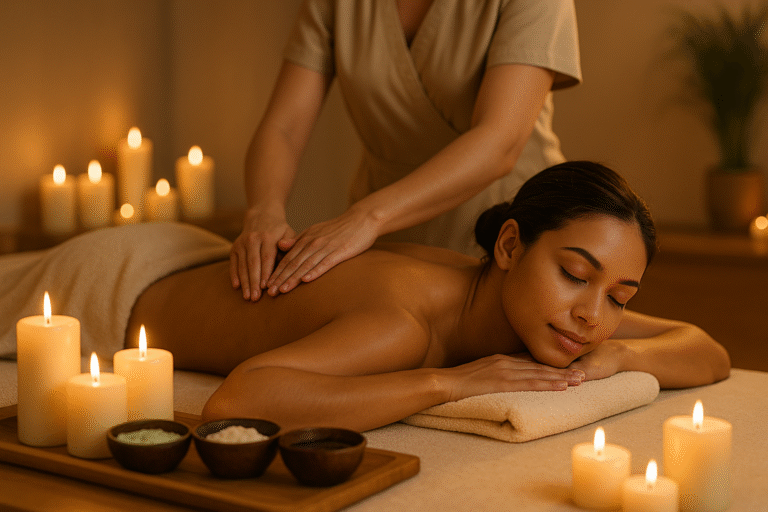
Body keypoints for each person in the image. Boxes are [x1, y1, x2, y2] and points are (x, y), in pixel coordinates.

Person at [127, 161, 730, 433]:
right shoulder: (406, 323)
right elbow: (236, 401)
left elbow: (706, 350)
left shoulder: (558, 312)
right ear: (510, 245)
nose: (594, 316)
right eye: (574, 273)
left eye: (619, 297)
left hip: (185, 262)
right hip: (123, 283)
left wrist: (618, 356)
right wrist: (451, 383)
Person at [229, 0, 582, 302]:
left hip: (512, 231)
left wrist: (367, 218)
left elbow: (499, 142)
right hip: (386, 243)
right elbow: (284, 127)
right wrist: (263, 212)